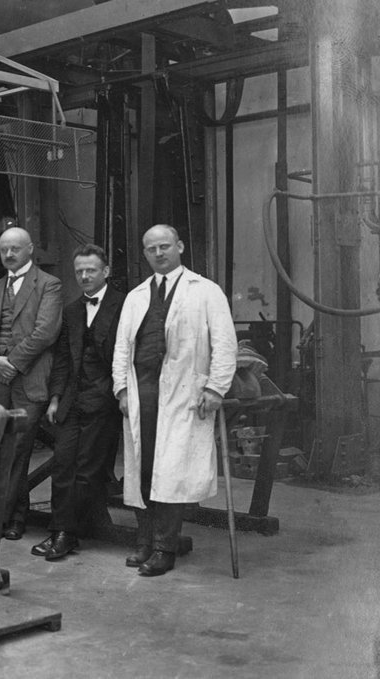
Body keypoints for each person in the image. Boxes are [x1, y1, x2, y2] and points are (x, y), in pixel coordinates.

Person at [111, 224, 237, 576]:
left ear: (179, 246)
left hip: (184, 394)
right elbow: (123, 348)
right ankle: (144, 543)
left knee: (171, 472)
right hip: (143, 391)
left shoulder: (206, 291)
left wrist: (215, 389)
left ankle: (165, 548)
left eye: (165, 246)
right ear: (145, 253)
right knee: (143, 470)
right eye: (151, 249)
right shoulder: (136, 296)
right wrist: (121, 388)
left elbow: (225, 346)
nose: (159, 253)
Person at [32, 244, 124, 561]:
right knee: (63, 464)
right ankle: (61, 531)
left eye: (91, 270)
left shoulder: (125, 306)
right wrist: (55, 398)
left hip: (106, 403)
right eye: (80, 271)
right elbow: (62, 361)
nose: (84, 276)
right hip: (72, 400)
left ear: (106, 271)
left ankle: (67, 534)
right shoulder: (71, 311)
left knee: (87, 470)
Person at [0, 226, 62, 540]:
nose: (8, 255)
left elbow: (46, 332)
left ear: (30, 250)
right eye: (3, 250)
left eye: (14, 249)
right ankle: (11, 517)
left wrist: (13, 362)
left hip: (29, 380)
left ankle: (5, 520)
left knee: (20, 450)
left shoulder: (49, 285)